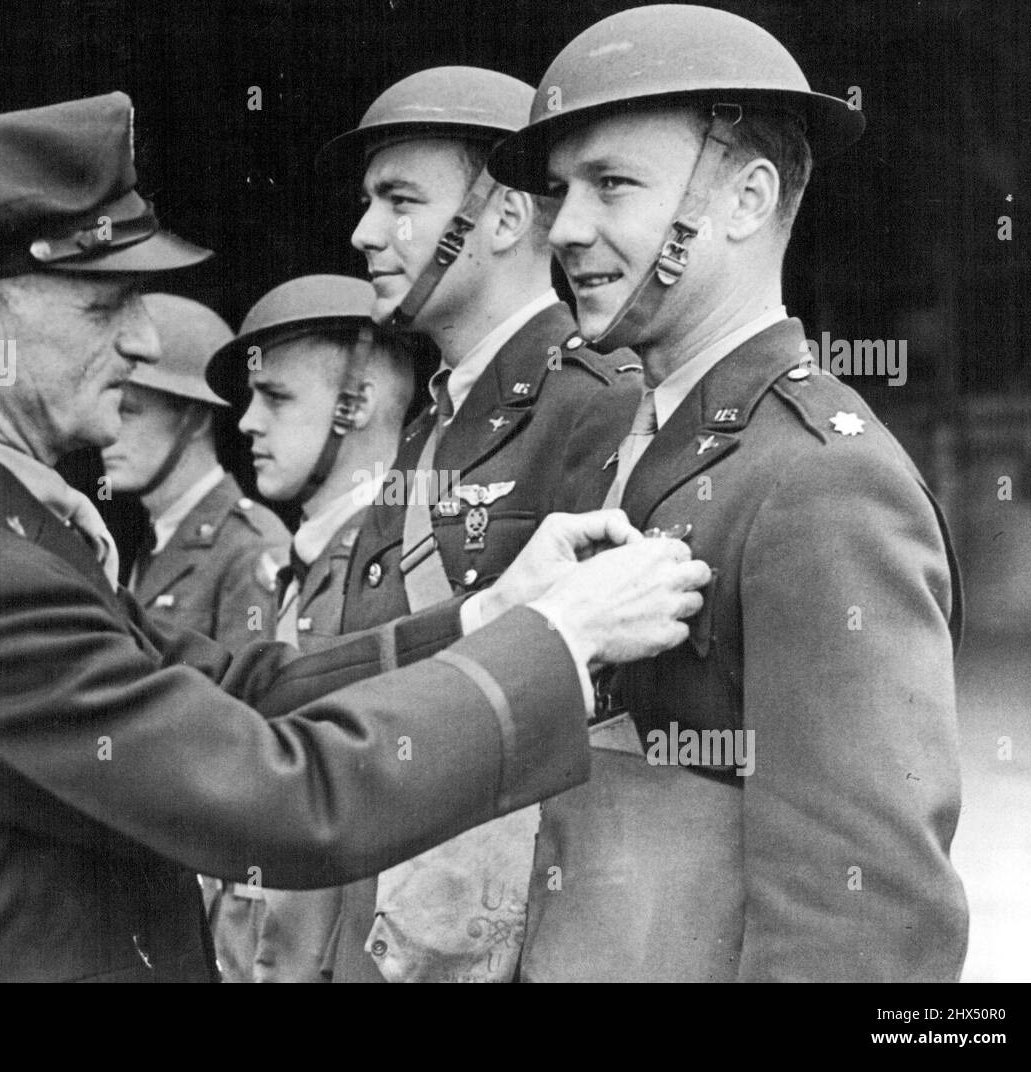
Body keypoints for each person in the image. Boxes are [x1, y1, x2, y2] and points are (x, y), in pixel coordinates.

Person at [0, 91, 711, 982]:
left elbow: (235, 689)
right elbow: (284, 800)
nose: (139, 340)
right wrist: (557, 642)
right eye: (104, 308)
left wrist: (490, 618)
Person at [486, 3, 968, 982]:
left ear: (746, 199)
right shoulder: (619, 448)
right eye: (558, 190)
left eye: (611, 184)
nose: (567, 228)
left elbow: (858, 929)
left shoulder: (821, 485)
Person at [317, 66, 635, 983]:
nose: (364, 233)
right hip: (388, 907)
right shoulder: (437, 415)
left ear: (500, 220)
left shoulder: (598, 405)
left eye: (399, 200)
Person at [201, 274, 418, 981]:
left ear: (359, 404)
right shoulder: (309, 566)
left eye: (277, 398)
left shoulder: (403, 577)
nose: (246, 423)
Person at [102, 293, 289, 652]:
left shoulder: (249, 549)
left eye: (128, 411)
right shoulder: (160, 537)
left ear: (195, 418)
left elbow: (248, 698)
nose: (109, 431)